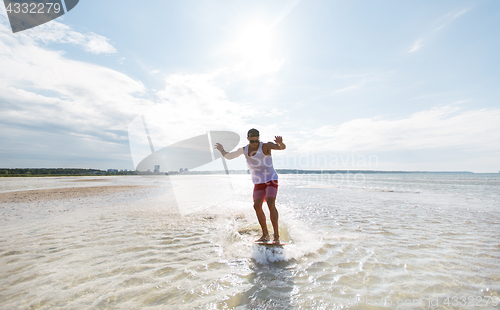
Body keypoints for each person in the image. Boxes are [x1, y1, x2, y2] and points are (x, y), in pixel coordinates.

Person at [215, 128, 286, 243]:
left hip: (271, 179)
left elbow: (282, 147)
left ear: (259, 139)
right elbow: (229, 156)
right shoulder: (244, 150)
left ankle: (276, 236)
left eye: (256, 141)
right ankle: (265, 235)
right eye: (252, 141)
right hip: (258, 182)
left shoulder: (265, 146)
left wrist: (280, 142)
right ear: (248, 139)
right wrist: (222, 150)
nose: (254, 144)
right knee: (257, 206)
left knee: (270, 202)